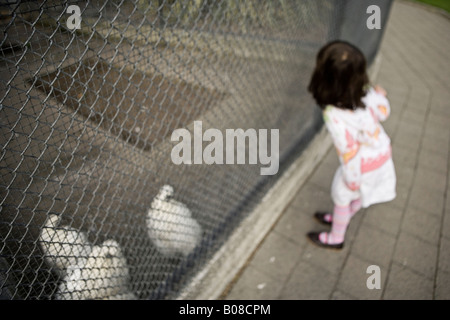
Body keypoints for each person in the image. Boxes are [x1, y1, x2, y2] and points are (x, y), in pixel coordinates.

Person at [306, 40, 396, 249]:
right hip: (382, 153)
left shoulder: (333, 115)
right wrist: (380, 96)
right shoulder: (366, 92)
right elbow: (384, 112)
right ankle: (343, 215)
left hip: (360, 165)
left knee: (342, 195)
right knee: (356, 195)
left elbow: (349, 150)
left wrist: (352, 179)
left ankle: (336, 238)